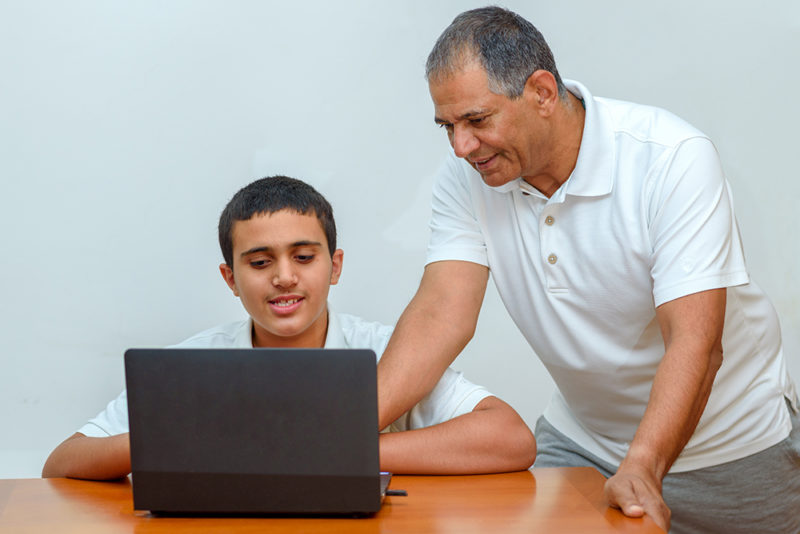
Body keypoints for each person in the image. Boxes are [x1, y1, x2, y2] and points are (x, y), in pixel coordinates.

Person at [375, 7, 799, 534]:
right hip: (584, 443)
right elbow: (442, 312)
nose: (461, 147)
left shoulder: (670, 158)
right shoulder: (468, 179)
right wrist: (341, 437)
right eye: (449, 127)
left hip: (733, 448)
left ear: (543, 93)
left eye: (477, 121)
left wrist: (644, 464)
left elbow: (696, 342)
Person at [42, 175, 537, 481]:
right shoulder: (193, 366)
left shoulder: (391, 353)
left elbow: (511, 438)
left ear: (335, 265)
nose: (284, 276)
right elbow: (65, 460)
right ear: (230, 279)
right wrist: (187, 439)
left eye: (303, 256)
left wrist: (334, 449)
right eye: (259, 262)